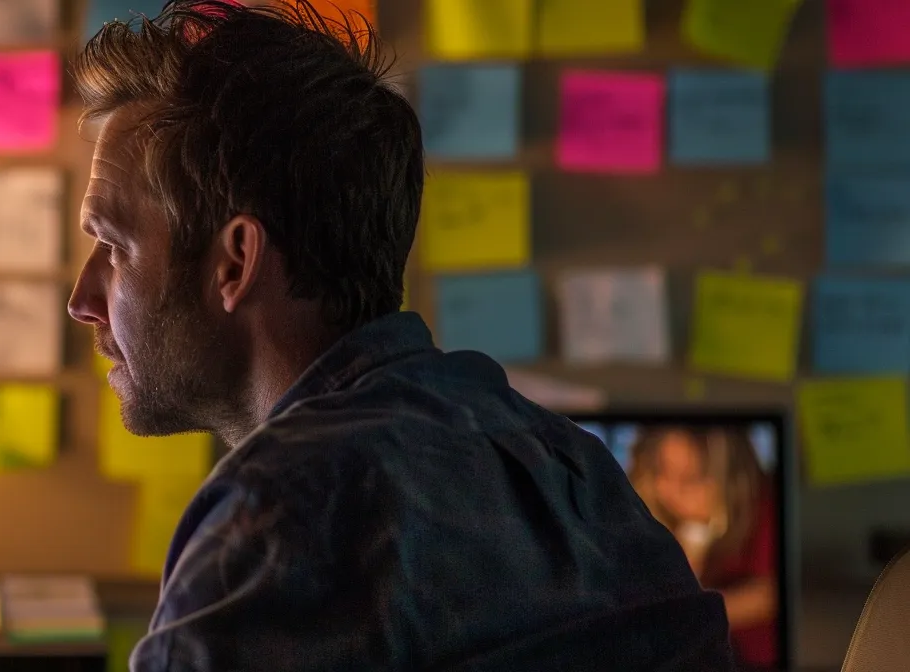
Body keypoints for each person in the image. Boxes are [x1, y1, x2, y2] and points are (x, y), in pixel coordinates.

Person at [66, 2, 735, 669]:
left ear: (234, 262)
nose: (82, 301)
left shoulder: (274, 522)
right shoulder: (569, 469)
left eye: (112, 246)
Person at [626, 426, 779, 667]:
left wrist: (689, 614)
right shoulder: (658, 523)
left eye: (691, 478)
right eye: (662, 472)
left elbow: (771, 594)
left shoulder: (763, 508)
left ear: (730, 477)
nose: (671, 490)